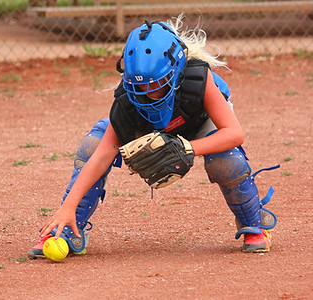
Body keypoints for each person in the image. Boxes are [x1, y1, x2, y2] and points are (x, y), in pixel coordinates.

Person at [28, 15, 279, 258]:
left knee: (227, 160)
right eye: (139, 86)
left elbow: (234, 133)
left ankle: (253, 223)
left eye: (156, 83)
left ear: (177, 70)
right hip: (149, 128)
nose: (148, 93)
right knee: (94, 144)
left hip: (197, 124)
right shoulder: (128, 100)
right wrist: (67, 207)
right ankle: (72, 228)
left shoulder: (198, 81)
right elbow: (101, 156)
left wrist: (187, 147)